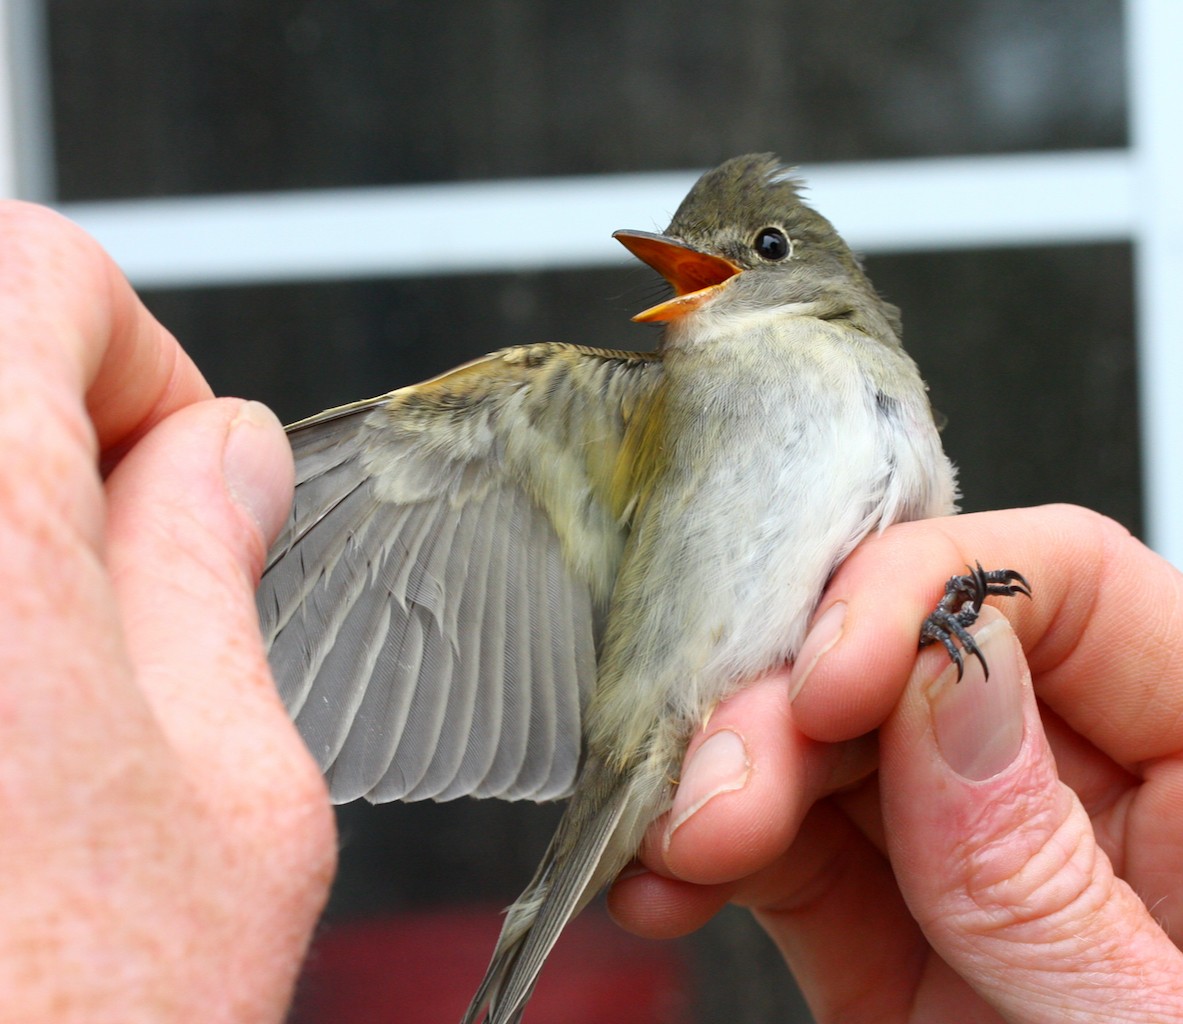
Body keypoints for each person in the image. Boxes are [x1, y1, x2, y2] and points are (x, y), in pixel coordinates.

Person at [3, 200, 1181, 1022]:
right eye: (696, 250)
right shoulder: (629, 404)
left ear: (823, 275)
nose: (712, 265)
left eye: (756, 249)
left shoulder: (850, 370)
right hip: (663, 701)